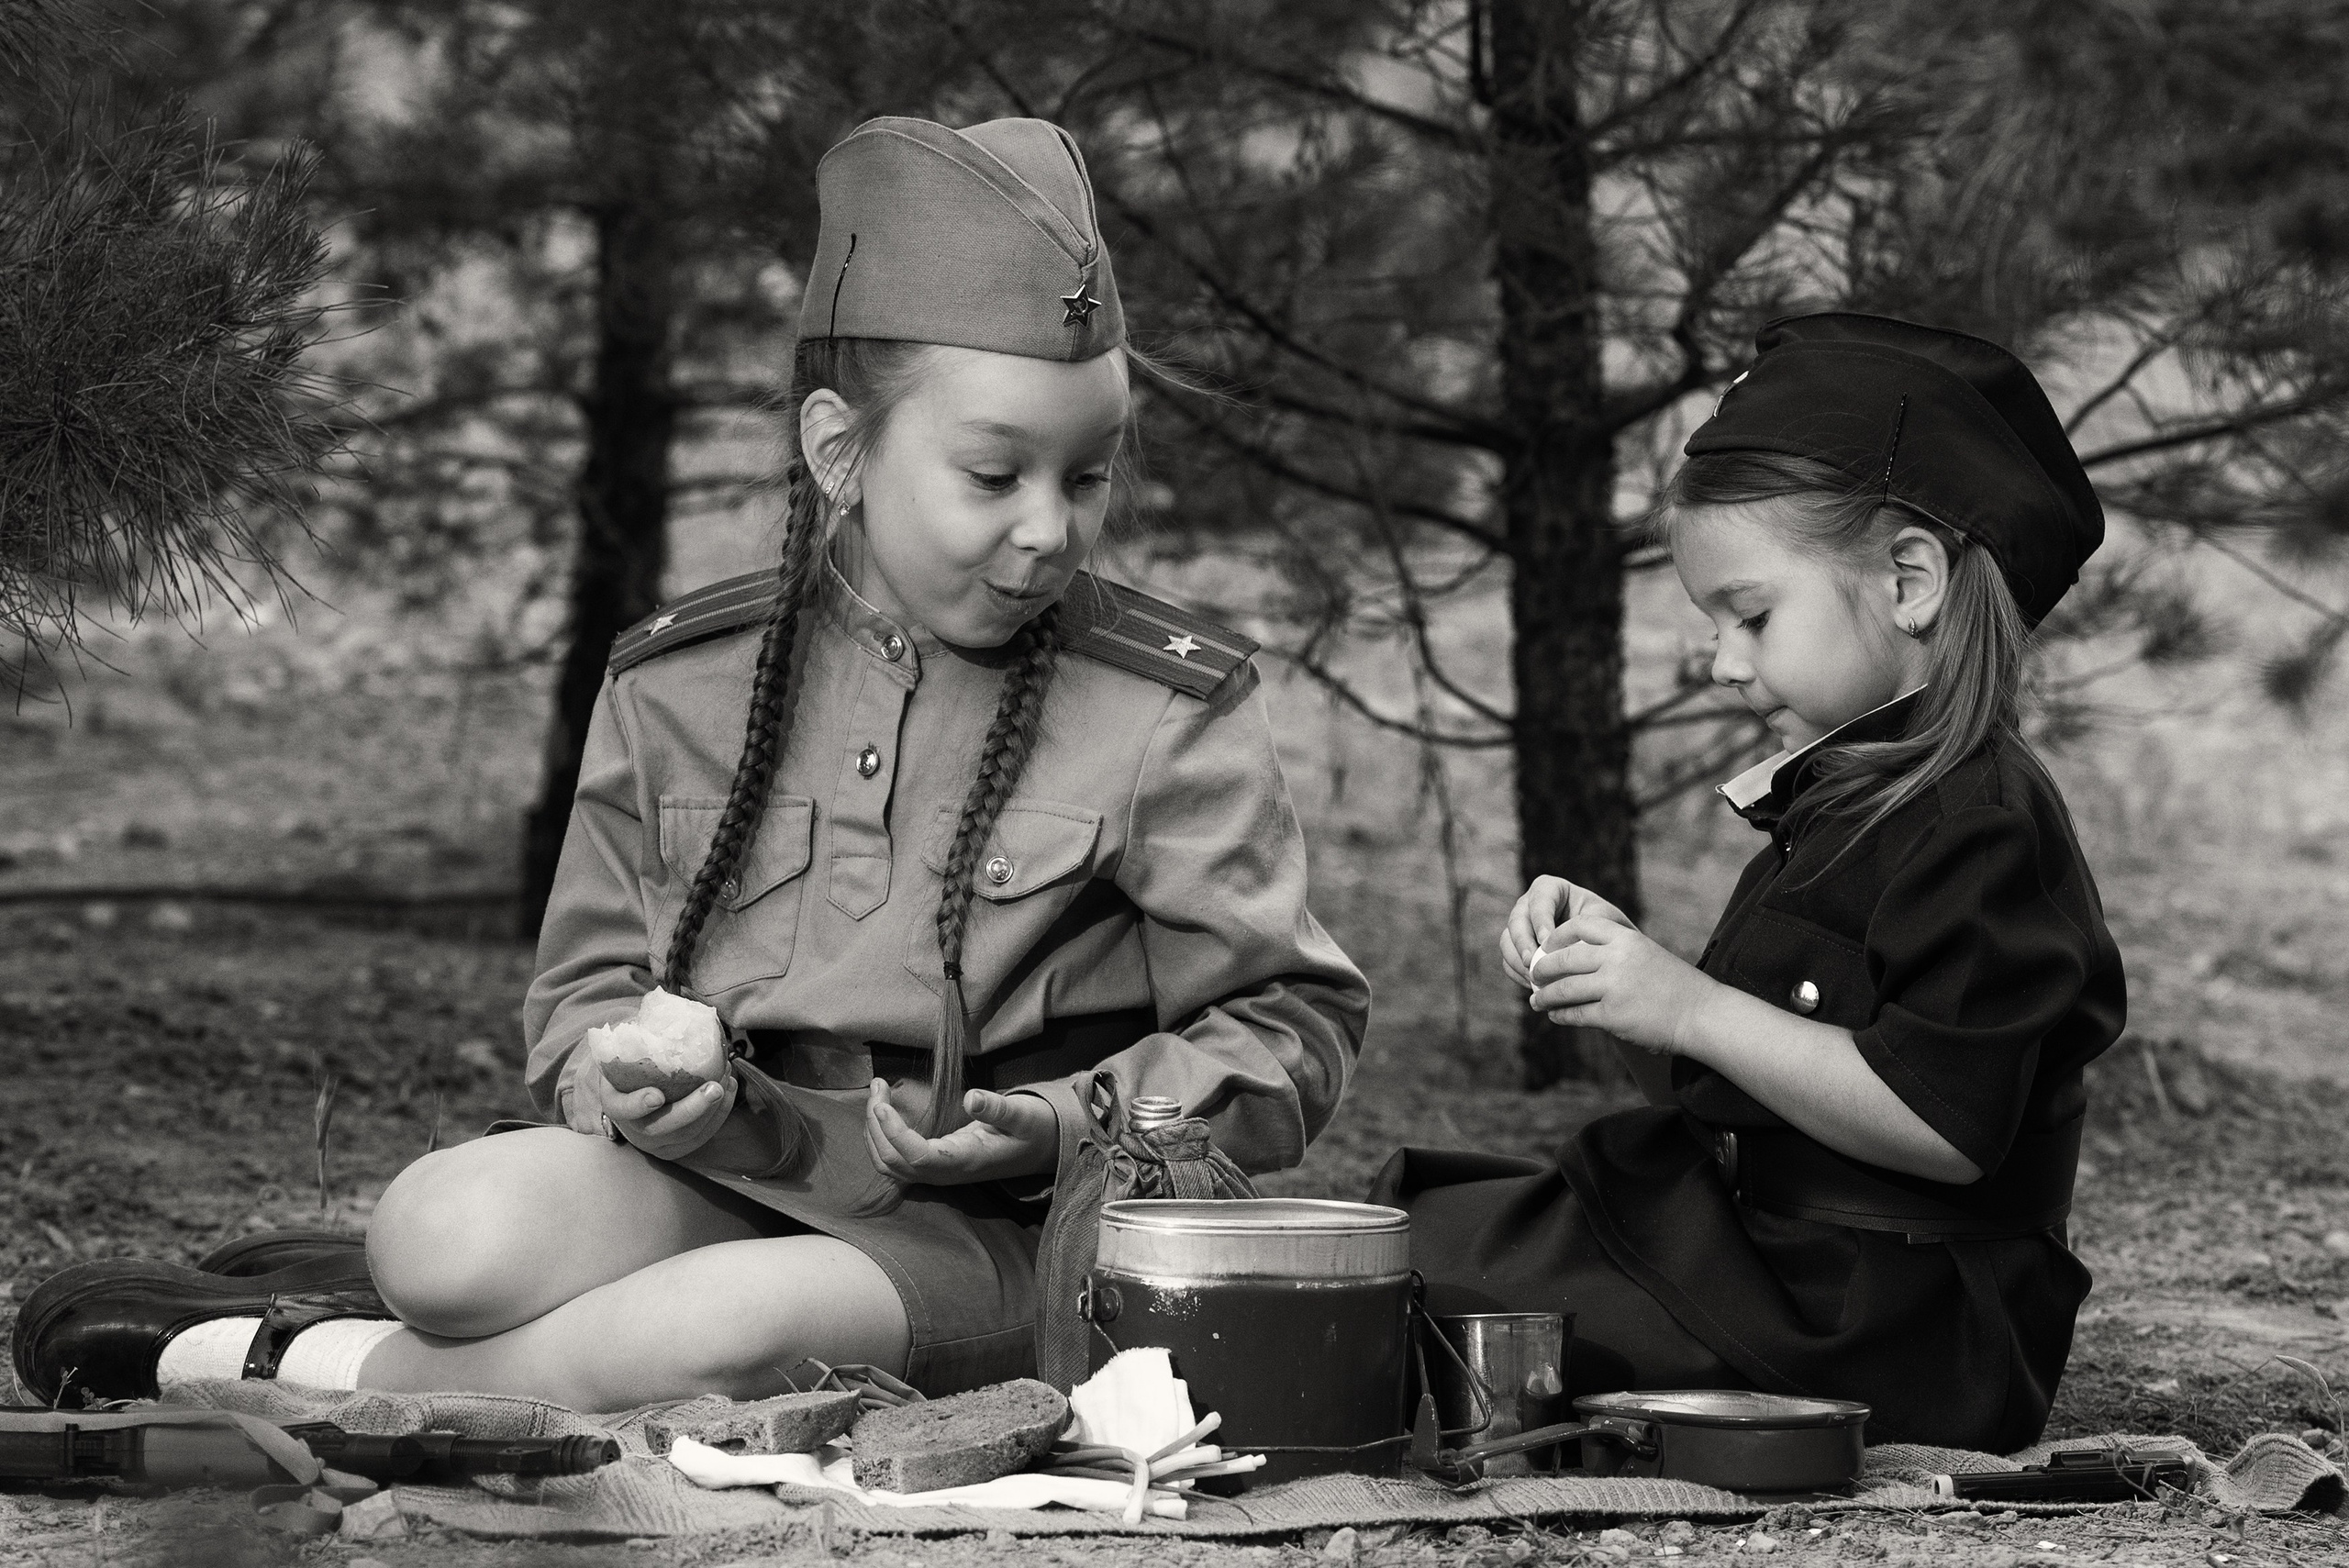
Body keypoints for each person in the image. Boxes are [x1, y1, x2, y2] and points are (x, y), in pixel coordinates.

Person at [17, 116, 1368, 1413]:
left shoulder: (1162, 707)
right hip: (734, 1173)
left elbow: (1288, 1027)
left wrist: (1062, 1125)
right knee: (439, 1230)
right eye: (994, 474)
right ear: (840, 448)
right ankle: (455, 1324)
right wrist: (619, 1080)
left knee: (716, 1330)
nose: (1047, 531)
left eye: (1087, 476)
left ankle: (285, 1361)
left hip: (1008, 1236)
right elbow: (586, 988)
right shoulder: (681, 680)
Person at [1375, 313, 2124, 1453]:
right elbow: (1749, 1074)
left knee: (1423, 1273)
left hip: (1890, 1319)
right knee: (1415, 1213)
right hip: (1780, 1258)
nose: (1724, 662)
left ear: (1909, 580)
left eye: (1751, 615)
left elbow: (1945, 1125)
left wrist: (1691, 1005)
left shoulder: (1981, 825)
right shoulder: (1854, 793)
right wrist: (1614, 974)